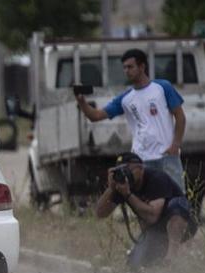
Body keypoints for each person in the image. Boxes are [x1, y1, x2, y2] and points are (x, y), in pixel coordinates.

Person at [76, 49, 187, 189]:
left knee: (175, 198)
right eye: (124, 67)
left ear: (142, 67)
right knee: (147, 201)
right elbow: (96, 116)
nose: (126, 71)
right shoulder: (126, 98)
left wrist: (175, 146)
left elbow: (180, 117)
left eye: (130, 67)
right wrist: (81, 102)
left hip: (166, 156)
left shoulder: (162, 87)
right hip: (142, 160)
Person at [95, 153, 197, 270]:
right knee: (135, 265)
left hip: (183, 225)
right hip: (156, 231)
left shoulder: (156, 178)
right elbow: (100, 213)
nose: (125, 173)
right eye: (121, 170)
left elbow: (152, 216)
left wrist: (128, 195)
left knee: (177, 204)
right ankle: (160, 262)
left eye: (128, 169)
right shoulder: (123, 185)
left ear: (141, 168)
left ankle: (171, 260)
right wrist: (111, 189)